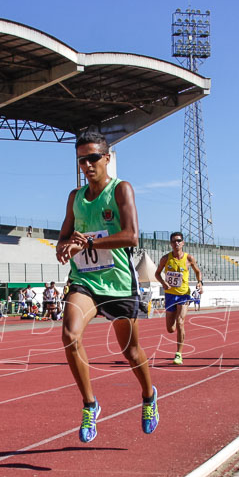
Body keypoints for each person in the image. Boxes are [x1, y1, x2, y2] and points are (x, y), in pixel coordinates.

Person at [56, 129, 158, 442]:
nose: (87, 164)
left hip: (118, 283)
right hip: (85, 280)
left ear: (107, 158)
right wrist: (63, 247)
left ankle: (148, 395)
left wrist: (88, 241)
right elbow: (63, 238)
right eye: (81, 160)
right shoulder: (75, 197)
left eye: (93, 158)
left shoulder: (120, 190)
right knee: (70, 335)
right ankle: (90, 404)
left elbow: (131, 236)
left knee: (130, 351)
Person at [154, 232, 203, 365]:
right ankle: (175, 318)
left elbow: (198, 272)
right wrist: (163, 283)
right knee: (170, 329)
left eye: (179, 240)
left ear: (183, 243)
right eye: (174, 241)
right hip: (170, 295)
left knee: (181, 322)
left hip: (183, 294)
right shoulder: (165, 259)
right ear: (170, 243)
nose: (177, 243)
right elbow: (157, 273)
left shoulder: (189, 258)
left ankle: (178, 354)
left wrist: (200, 283)